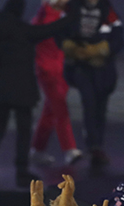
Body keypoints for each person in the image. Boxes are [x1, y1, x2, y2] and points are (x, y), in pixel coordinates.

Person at [0, 0, 74, 187]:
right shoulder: (24, 30)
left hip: (0, 88)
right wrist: (72, 17)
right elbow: (48, 30)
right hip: (23, 89)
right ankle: (21, 171)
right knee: (23, 131)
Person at [61, 0, 124, 169]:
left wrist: (101, 50)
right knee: (89, 104)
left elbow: (119, 38)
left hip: (103, 68)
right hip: (81, 68)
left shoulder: (109, 11)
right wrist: (72, 48)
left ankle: (97, 145)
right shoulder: (72, 8)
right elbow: (60, 32)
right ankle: (94, 147)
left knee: (100, 107)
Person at [31, 0, 82, 168]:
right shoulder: (42, 17)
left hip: (64, 69)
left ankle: (37, 148)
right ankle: (69, 149)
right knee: (60, 108)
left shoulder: (67, 13)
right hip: (47, 70)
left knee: (50, 111)